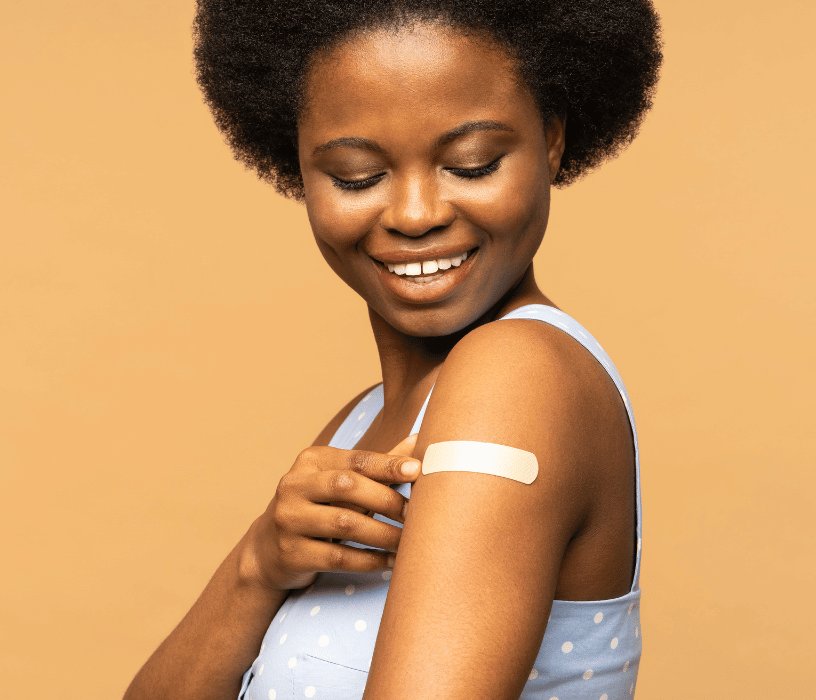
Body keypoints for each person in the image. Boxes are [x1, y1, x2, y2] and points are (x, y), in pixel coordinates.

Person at [126, 1, 661, 698]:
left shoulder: (515, 376)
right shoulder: (363, 420)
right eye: (356, 175)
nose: (415, 214)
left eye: (472, 164)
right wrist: (257, 565)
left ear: (552, 141)